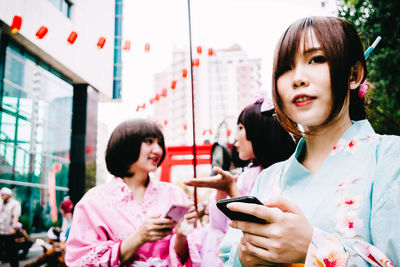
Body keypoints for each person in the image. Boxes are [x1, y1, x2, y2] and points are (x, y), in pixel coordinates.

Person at [221, 16, 399, 266]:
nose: (297, 78)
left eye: (316, 59)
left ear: (354, 74)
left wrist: (313, 248)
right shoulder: (268, 179)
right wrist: (245, 257)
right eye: (285, 68)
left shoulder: (391, 158)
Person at [65, 119, 200, 266]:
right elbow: (80, 261)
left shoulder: (174, 194)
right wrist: (140, 236)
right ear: (126, 144)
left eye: (160, 143)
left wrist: (181, 235)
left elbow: (185, 256)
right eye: (149, 142)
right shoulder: (94, 201)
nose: (158, 150)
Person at [185, 99, 296, 266]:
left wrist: (230, 188)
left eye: (241, 128)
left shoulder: (285, 176)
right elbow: (219, 227)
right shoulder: (248, 175)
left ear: (260, 131)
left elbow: (260, 229)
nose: (235, 137)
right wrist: (222, 190)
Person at [0, 187, 21, 267]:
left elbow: (16, 216)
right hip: (0, 231)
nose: (1, 195)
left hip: (9, 232)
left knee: (12, 252)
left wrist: (13, 228)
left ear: (8, 195)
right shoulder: (0, 203)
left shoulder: (15, 204)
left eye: (3, 194)